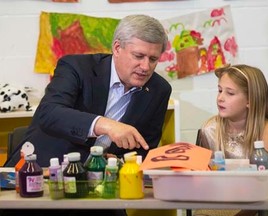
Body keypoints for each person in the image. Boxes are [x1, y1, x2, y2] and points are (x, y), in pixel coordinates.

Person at [2, 14, 171, 216]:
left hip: (100, 187)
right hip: (44, 177)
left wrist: (119, 162)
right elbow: (49, 113)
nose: (145, 67)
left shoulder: (159, 89)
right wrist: (105, 125)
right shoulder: (76, 67)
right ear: (117, 48)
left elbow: (145, 148)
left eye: (153, 59)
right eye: (138, 56)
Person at [194, 64, 268, 216]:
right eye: (220, 90)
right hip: (220, 202)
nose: (220, 98)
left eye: (230, 93)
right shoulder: (209, 129)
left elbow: (267, 189)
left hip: (261, 205)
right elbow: (205, 181)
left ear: (250, 100)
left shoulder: (267, 130)